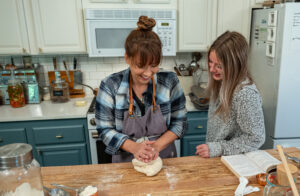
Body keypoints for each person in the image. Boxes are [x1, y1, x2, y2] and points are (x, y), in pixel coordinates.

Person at [95, 16, 187, 163]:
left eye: (154, 65)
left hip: (164, 159)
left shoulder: (170, 81)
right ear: (127, 58)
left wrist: (156, 147)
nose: (148, 73)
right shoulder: (110, 85)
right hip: (126, 162)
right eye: (140, 66)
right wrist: (134, 147)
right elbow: (104, 130)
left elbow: (180, 123)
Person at [195, 31, 265, 158]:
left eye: (219, 66)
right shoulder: (222, 82)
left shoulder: (245, 95)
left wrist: (218, 148)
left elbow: (256, 138)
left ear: (235, 65)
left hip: (236, 162)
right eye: (210, 62)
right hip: (220, 159)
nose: (211, 69)